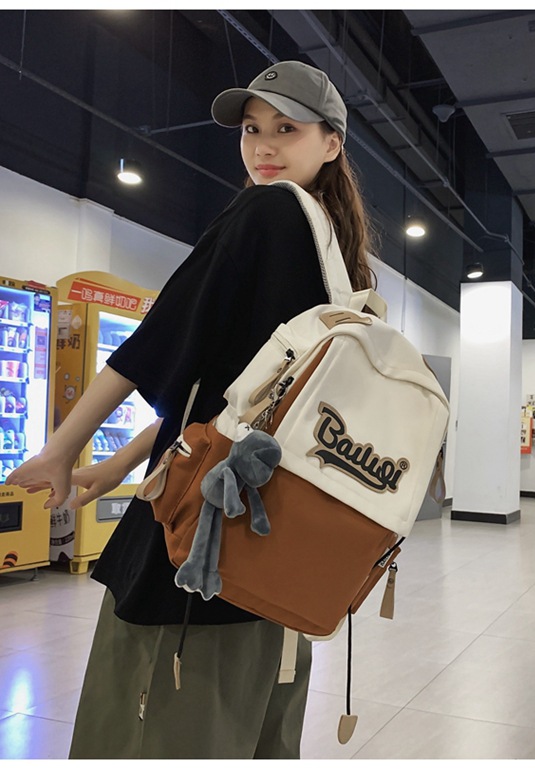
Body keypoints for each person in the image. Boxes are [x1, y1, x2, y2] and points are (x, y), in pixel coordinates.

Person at [7, 60, 376, 759]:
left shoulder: (266, 211)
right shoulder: (341, 258)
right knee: (255, 725)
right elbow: (237, 394)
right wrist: (116, 465)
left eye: (286, 129)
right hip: (279, 549)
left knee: (150, 726)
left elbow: (160, 338)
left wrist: (61, 448)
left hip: (199, 542)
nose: (263, 147)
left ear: (331, 143)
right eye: (251, 129)